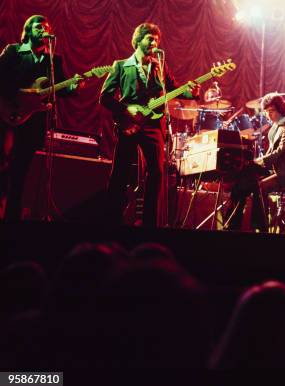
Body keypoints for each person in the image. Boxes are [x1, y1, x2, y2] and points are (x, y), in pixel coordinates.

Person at [99, 23, 199, 227]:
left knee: (156, 172)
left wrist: (192, 92)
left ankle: (150, 223)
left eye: (156, 39)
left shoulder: (159, 66)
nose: (154, 42)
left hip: (154, 124)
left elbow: (175, 88)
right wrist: (125, 111)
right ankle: (111, 220)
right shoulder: (120, 65)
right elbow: (105, 97)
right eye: (149, 38)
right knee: (120, 171)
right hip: (129, 123)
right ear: (138, 40)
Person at [0, 15, 82, 222]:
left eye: (46, 26)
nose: (44, 29)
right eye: (39, 26)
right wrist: (21, 94)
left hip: (34, 121)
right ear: (28, 30)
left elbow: (58, 87)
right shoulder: (14, 52)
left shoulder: (54, 59)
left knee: (21, 172)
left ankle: (12, 219)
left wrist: (72, 86)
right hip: (8, 114)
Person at [224, 93, 285, 232]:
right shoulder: (274, 128)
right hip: (273, 171)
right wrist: (257, 162)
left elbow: (282, 151)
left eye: (271, 111)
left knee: (255, 184)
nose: (268, 115)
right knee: (243, 178)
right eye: (266, 112)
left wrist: (261, 160)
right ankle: (235, 224)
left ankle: (257, 227)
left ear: (281, 110)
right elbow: (271, 154)